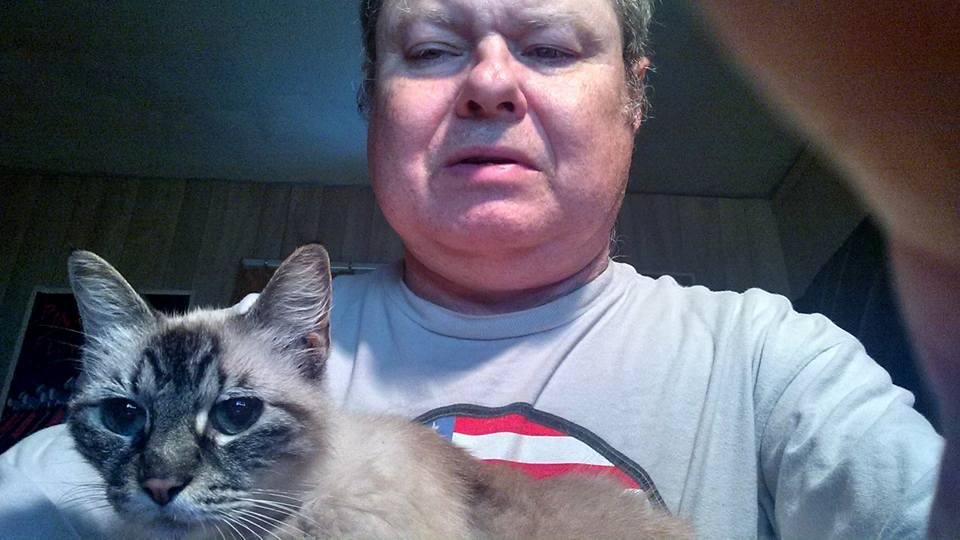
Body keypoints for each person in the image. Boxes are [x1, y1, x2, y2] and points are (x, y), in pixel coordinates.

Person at [0, 0, 953, 538]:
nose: (490, 84)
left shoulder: (772, 357)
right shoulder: (235, 340)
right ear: (372, 100)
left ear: (633, 99)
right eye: (430, 50)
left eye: (550, 46)